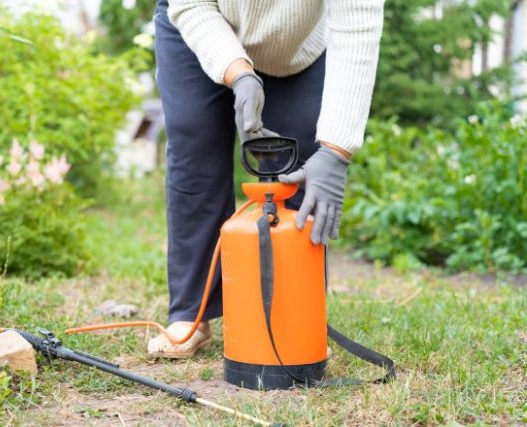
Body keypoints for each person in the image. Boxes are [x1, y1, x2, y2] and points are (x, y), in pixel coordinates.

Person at [147, 0, 385, 357]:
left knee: (296, 167)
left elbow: (358, 24)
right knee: (196, 147)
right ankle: (191, 313)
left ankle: (294, 319)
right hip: (199, 18)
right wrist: (239, 73)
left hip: (301, 44)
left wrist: (337, 152)